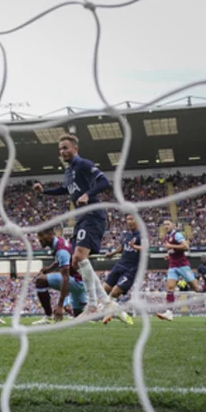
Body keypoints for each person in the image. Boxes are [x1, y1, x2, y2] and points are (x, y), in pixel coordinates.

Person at [33, 134, 110, 318]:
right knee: (76, 262)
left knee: (79, 258)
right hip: (81, 218)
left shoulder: (83, 164)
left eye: (66, 148)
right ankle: (103, 301)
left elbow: (104, 181)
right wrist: (45, 192)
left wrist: (88, 194)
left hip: (92, 214)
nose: (62, 151)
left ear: (75, 149)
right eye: (60, 149)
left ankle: (95, 304)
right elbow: (64, 189)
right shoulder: (68, 172)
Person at [35, 228, 87, 323]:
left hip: (76, 282)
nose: (39, 240)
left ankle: (48, 316)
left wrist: (60, 305)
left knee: (40, 281)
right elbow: (63, 260)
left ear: (50, 235)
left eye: (41, 237)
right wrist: (49, 269)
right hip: (81, 281)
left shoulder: (61, 251)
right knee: (80, 317)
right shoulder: (60, 241)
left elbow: (65, 278)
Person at [157, 220, 202, 321]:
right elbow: (174, 250)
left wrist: (171, 246)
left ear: (173, 225)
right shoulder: (167, 237)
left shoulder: (177, 235)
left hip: (183, 266)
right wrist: (168, 255)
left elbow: (186, 247)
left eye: (168, 224)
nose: (166, 226)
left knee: (196, 288)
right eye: (164, 224)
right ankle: (169, 312)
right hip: (173, 266)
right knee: (170, 288)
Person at [101, 214, 138, 325]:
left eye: (131, 219)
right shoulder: (127, 235)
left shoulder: (142, 235)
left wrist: (135, 247)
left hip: (131, 269)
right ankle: (117, 312)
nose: (129, 221)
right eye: (128, 219)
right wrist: (112, 253)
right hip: (120, 265)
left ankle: (110, 313)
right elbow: (122, 247)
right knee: (104, 290)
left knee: (115, 292)